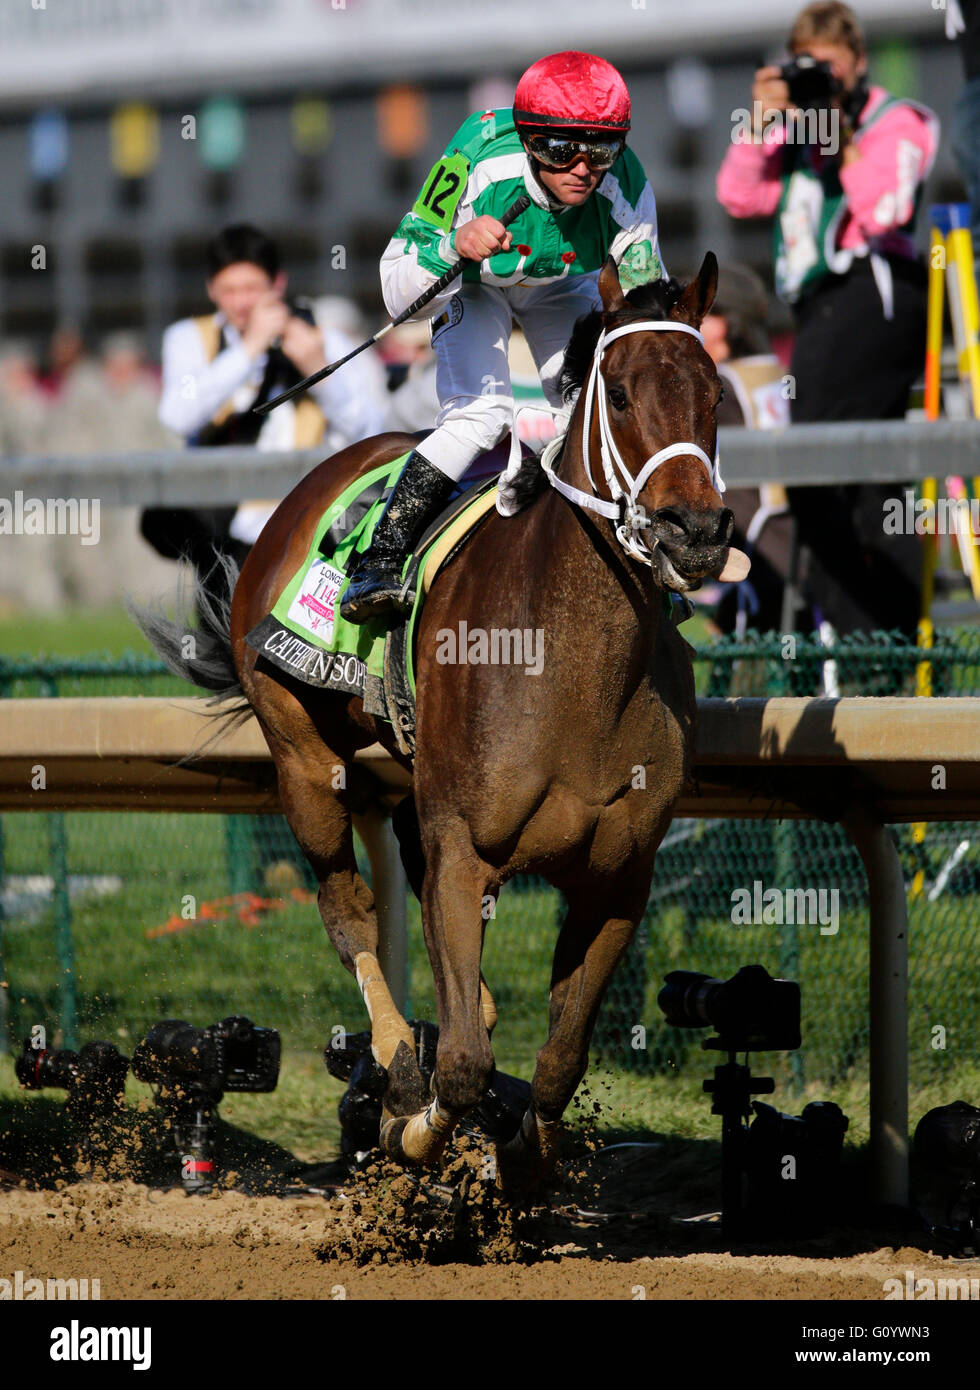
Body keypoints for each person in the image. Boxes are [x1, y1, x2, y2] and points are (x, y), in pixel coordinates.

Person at [341, 49, 665, 624]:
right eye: (561, 149)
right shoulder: (479, 159)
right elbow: (396, 290)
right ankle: (380, 558)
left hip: (560, 284)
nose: (583, 168)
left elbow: (645, 314)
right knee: (482, 415)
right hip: (476, 284)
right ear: (530, 139)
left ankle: (643, 552)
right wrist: (451, 245)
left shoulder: (627, 184)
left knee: (606, 403)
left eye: (601, 148)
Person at [716, 2, 940, 637]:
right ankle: (883, 643)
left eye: (831, 70)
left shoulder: (897, 120)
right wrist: (761, 118)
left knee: (822, 467)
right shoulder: (792, 129)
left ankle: (874, 637)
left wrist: (839, 134)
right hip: (819, 306)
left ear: (859, 65)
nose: (821, 83)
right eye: (807, 70)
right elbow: (738, 195)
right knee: (865, 481)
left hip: (875, 294)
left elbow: (886, 209)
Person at [149, 223, 384, 595]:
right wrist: (249, 350)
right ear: (211, 289)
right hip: (221, 533)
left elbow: (370, 431)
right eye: (228, 290)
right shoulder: (189, 337)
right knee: (213, 646)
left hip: (303, 526)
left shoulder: (324, 337)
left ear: (278, 285)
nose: (240, 302)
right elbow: (177, 417)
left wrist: (319, 372)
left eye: (251, 289)